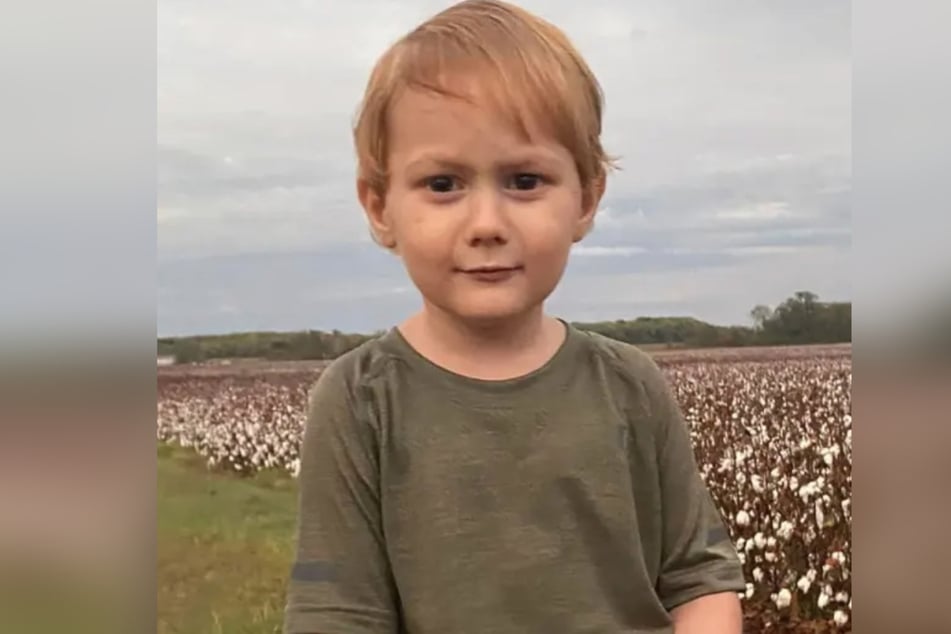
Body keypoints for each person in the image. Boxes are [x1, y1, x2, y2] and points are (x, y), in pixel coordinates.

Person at [284, 1, 745, 632]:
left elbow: (701, 580)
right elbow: (336, 615)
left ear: (586, 198)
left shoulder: (631, 385)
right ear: (379, 207)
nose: (487, 226)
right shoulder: (361, 401)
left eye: (525, 180)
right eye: (443, 184)